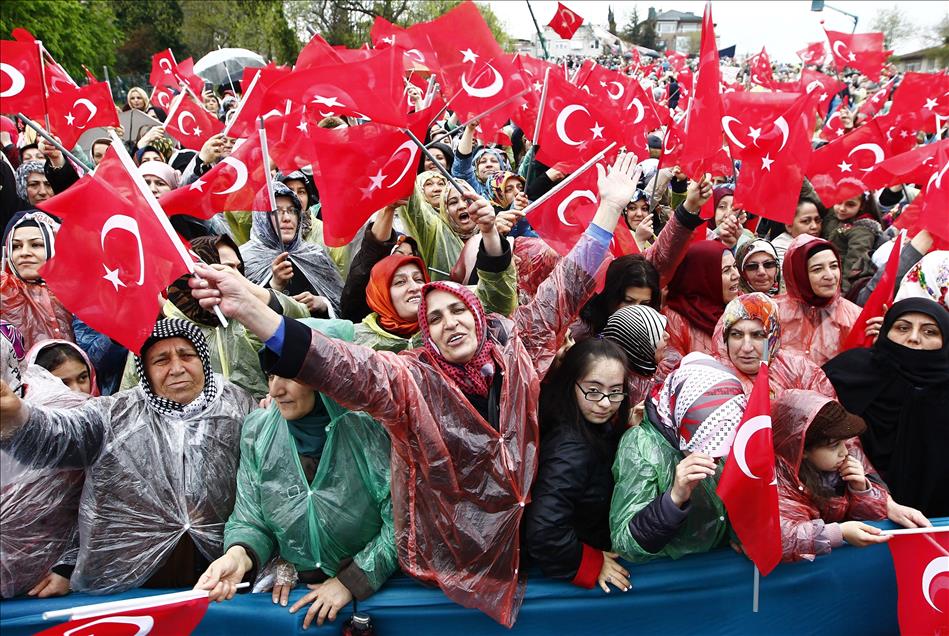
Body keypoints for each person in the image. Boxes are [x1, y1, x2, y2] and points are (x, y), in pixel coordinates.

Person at [188, 153, 642, 627]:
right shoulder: (412, 380)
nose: (450, 323)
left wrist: (609, 208)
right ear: (426, 334)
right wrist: (253, 312)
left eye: (458, 310)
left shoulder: (517, 348)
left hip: (521, 546)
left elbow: (565, 288)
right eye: (436, 319)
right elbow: (337, 363)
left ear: (477, 314)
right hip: (445, 563)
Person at [0, 320, 256, 592]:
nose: (177, 368)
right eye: (161, 360)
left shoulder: (238, 406)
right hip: (132, 581)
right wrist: (18, 415)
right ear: (144, 369)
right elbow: (59, 435)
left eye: (187, 355)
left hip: (220, 577)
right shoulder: (114, 414)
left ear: (203, 359)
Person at [195, 319, 396, 630]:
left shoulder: (368, 427)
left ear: (326, 376)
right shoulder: (259, 431)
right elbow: (252, 517)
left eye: (290, 374)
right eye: (271, 374)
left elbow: (401, 522)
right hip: (301, 591)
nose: (275, 390)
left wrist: (350, 581)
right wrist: (238, 557)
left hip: (374, 593)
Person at [610, 353, 746, 562]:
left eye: (721, 447)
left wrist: (740, 534)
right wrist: (673, 499)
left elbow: (729, 502)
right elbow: (625, 543)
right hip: (668, 575)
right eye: (702, 445)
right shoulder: (641, 444)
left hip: (713, 567)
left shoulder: (726, 427)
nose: (713, 457)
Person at [823, 298, 949, 517]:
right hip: (851, 522)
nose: (913, 338)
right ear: (886, 331)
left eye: (929, 332)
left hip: (937, 528)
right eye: (902, 328)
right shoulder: (847, 372)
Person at [524, 339, 631, 592]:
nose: (605, 403)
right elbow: (544, 532)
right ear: (571, 384)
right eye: (593, 391)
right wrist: (589, 563)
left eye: (615, 391)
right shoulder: (571, 448)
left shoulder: (584, 423)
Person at [771, 391, 890, 562]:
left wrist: (861, 491)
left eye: (844, 442)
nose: (844, 451)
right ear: (802, 449)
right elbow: (780, 538)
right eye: (834, 445)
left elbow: (871, 519)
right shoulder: (777, 482)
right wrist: (839, 533)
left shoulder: (834, 469)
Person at [241, 184, 344, 317]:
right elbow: (241, 316)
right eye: (276, 211)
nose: (287, 218)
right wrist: (275, 285)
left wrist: (323, 304)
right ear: (262, 218)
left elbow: (343, 306)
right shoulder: (245, 259)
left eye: (292, 211)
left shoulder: (315, 255)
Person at [711, 293, 835, 397]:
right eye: (737, 335)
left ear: (773, 340)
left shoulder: (799, 371)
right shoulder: (711, 378)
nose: (746, 348)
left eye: (758, 335)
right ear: (725, 338)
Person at [775, 234, 860, 366]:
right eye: (817, 269)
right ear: (799, 274)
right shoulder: (774, 312)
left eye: (833, 266)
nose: (830, 276)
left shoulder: (854, 317)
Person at [1, 211, 74, 347]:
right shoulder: (3, 294)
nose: (24, 253)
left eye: (36, 245)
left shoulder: (80, 290)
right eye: (16, 246)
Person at [663, 241, 741, 359]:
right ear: (703, 277)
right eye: (726, 270)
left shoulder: (743, 307)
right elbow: (671, 368)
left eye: (735, 266)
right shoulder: (675, 320)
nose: (736, 275)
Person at [601, 304, 670, 405]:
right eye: (658, 332)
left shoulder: (655, 374)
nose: (667, 335)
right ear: (640, 343)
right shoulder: (630, 389)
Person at [822, 193, 883, 295]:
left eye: (850, 205)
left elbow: (854, 265)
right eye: (839, 202)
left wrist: (842, 294)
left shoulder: (863, 230)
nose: (842, 208)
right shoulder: (834, 216)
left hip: (836, 284)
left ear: (862, 206)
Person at [769, 198, 823, 272]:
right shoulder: (779, 250)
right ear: (789, 226)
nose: (814, 226)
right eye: (806, 221)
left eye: (817, 220)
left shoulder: (820, 244)